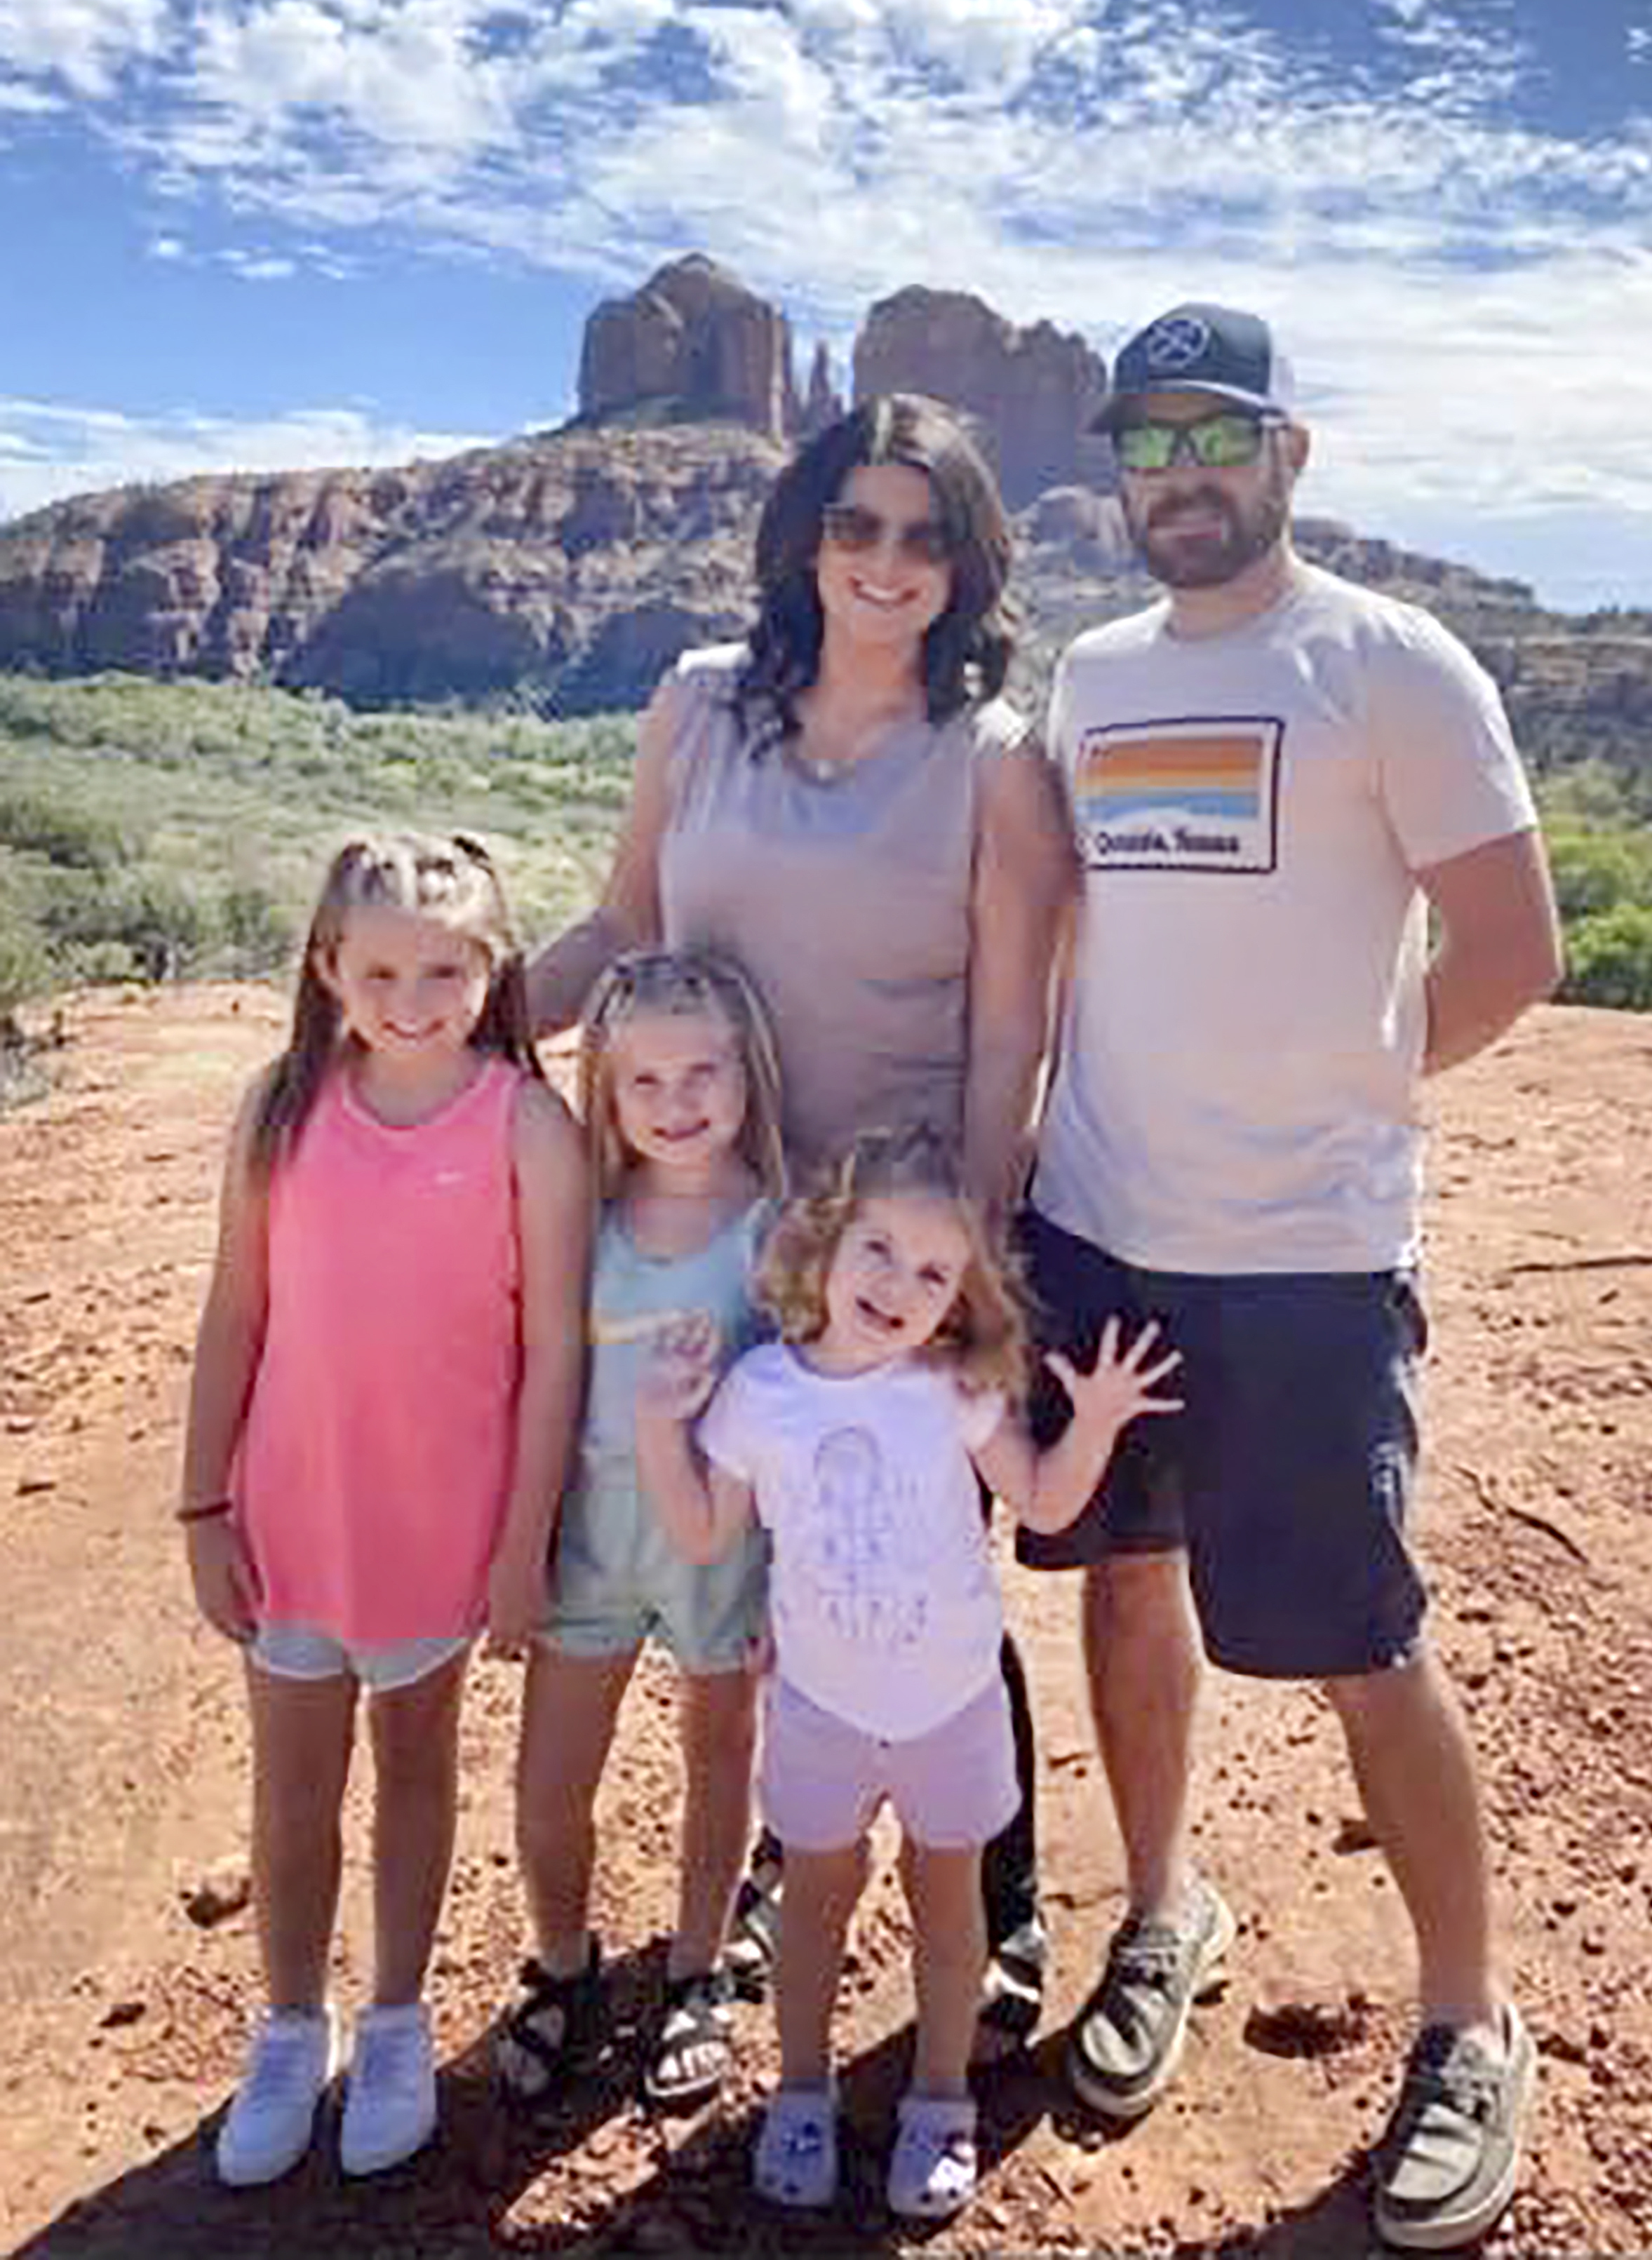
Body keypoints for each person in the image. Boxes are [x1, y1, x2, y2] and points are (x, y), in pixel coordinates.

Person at [1016, 300, 1563, 2250]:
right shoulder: (1090, 677)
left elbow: (1514, 947)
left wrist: (1351, 1099)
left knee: (1357, 1640)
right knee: (1123, 1578)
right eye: (1148, 444)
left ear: (1288, 454)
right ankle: (1165, 1908)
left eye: (1214, 436)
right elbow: (1063, 928)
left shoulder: (1390, 664)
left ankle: (1467, 2018)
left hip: (1306, 1262)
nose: (1180, 475)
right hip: (1099, 1223)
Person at [526, 392, 1076, 2045]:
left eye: (925, 536)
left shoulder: (993, 766)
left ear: (967, 568)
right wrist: (456, 1023)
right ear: (806, 539)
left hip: (888, 1268)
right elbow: (623, 922)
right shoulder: (699, 705)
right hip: (710, 1232)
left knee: (915, 1560)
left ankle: (1000, 1901)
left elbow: (1010, 1033)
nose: (885, 562)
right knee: (777, 1566)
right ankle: (789, 1856)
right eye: (856, 524)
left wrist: (959, 1274)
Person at [634, 1125, 1183, 2220]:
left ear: (961, 1299)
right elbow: (701, 1532)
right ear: (827, 1240)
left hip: (953, 1710)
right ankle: (801, 2091)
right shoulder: (760, 1394)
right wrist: (657, 1425)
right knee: (814, 1906)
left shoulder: (953, 1390)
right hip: (820, 1711)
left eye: (934, 1274)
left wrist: (1097, 1422)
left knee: (949, 1906)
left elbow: (1042, 1501)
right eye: (879, 1250)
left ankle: (940, 2099)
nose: (898, 1286)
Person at [179, 832, 589, 2188]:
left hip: (438, 1523)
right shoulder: (281, 1110)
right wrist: (202, 1507)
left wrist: (524, 1542)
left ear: (493, 970)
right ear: (327, 969)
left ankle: (398, 2021)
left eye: (447, 971)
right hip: (293, 1514)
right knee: (292, 1787)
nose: (414, 1001)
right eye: (383, 972)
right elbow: (235, 1314)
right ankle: (292, 2027)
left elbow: (556, 1356)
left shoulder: (528, 1125)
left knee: (416, 1765)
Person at [495, 947, 785, 2113]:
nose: (677, 1104)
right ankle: (564, 1964)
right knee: (548, 1782)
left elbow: (803, 1407)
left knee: (718, 1757)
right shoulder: (587, 1221)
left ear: (749, 1073)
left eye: (703, 1073)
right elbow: (543, 1381)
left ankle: (698, 1967)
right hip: (592, 1540)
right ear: (606, 1092)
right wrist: (518, 1547)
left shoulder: (776, 1230)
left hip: (722, 1543)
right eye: (645, 1082)